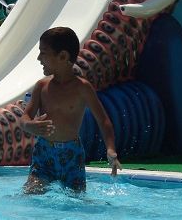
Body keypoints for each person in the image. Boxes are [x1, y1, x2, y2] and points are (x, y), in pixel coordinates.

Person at [21, 26, 121, 193]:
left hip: (72, 156)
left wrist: (111, 149)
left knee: (76, 201)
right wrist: (29, 125)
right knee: (31, 192)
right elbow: (25, 117)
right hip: (44, 153)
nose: (38, 58)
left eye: (43, 53)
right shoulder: (41, 86)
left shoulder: (82, 88)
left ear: (63, 56)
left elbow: (103, 120)